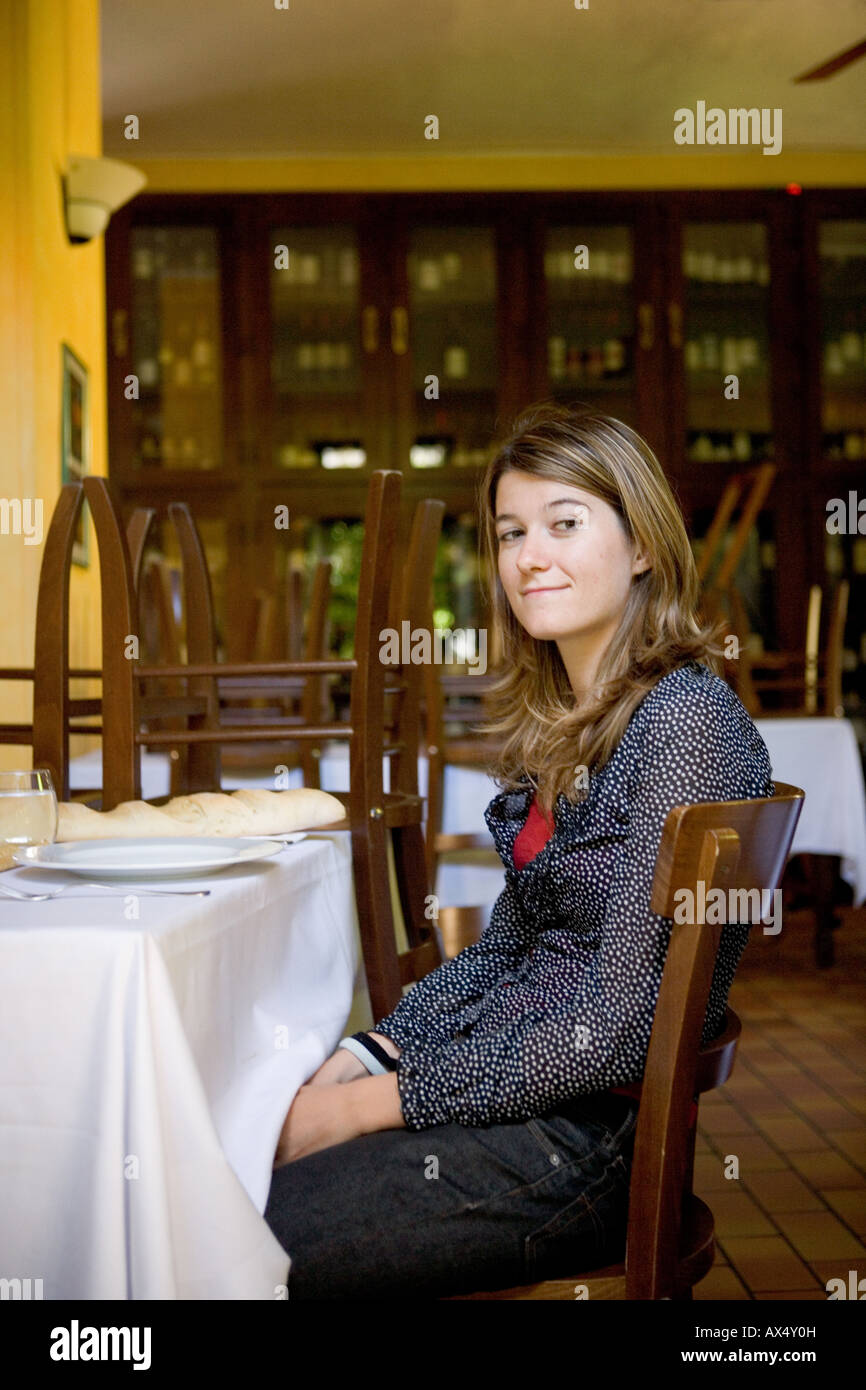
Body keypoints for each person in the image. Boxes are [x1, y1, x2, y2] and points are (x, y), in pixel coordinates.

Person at [263, 404, 773, 1299]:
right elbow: (505, 954)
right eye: (510, 532)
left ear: (643, 544)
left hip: (585, 1147)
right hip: (520, 1103)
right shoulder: (579, 727)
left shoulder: (683, 723)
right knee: (227, 1175)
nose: (528, 555)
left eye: (564, 524)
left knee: (241, 1230)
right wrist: (367, 1054)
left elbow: (614, 1036)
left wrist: (355, 1111)